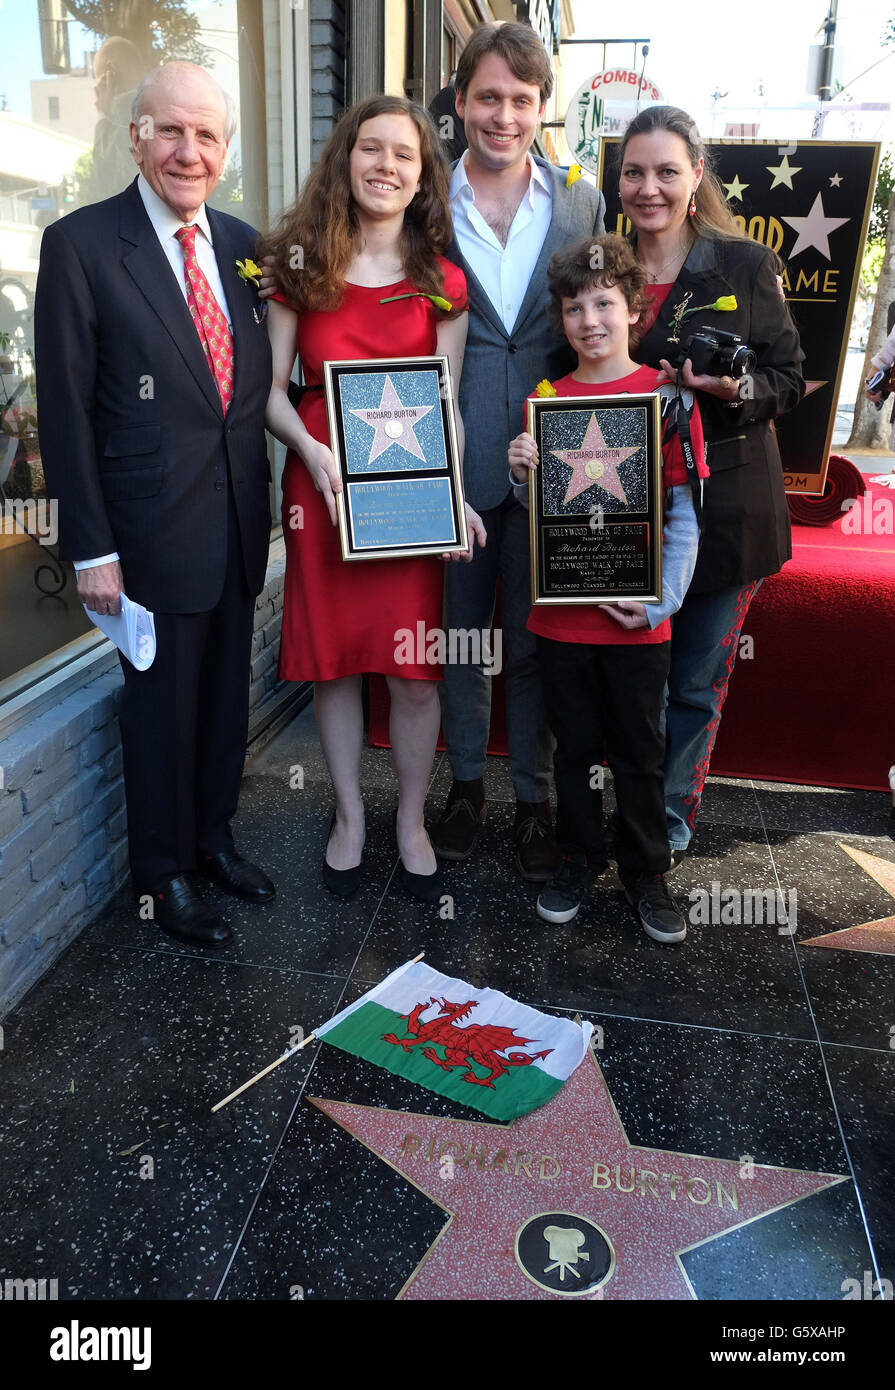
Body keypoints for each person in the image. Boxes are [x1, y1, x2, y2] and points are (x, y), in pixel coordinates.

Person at [34, 62, 276, 948]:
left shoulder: (248, 245)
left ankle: (213, 841)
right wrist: (91, 548)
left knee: (221, 707)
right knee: (160, 714)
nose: (188, 151)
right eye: (169, 130)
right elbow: (63, 411)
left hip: (238, 527)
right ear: (136, 136)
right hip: (145, 537)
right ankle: (163, 873)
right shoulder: (82, 245)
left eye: (207, 135)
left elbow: (252, 391)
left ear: (226, 149)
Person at [259, 96, 485, 904]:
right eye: (370, 149)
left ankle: (411, 820)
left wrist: (451, 495)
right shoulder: (298, 263)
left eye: (404, 155)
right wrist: (312, 450)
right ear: (344, 159)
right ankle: (350, 816)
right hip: (319, 489)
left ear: (424, 176)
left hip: (406, 496)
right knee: (337, 666)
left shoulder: (442, 281)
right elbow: (268, 391)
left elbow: (449, 403)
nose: (385, 166)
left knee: (416, 674)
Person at [429, 20, 606, 881]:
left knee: (535, 637)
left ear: (543, 109)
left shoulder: (578, 199)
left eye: (522, 101)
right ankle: (465, 786)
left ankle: (532, 800)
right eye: (488, 97)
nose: (503, 116)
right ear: (460, 101)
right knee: (460, 634)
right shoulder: (426, 197)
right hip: (449, 455)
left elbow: (596, 315)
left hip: (552, 461)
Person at [617, 105, 805, 866]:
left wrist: (734, 390)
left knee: (693, 684)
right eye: (634, 171)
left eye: (666, 170)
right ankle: (623, 810)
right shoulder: (602, 264)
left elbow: (787, 379)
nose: (648, 187)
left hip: (725, 508)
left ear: (695, 175)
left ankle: (663, 827)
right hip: (621, 506)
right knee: (630, 685)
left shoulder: (743, 264)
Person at [508, 235, 708, 942]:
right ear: (559, 318)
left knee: (639, 752)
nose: (589, 320)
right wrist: (522, 473)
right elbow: (540, 514)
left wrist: (662, 600)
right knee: (572, 753)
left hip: (636, 621)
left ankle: (645, 870)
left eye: (603, 303)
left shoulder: (665, 396)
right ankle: (578, 856)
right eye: (573, 308)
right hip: (562, 621)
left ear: (632, 308)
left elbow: (684, 513)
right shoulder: (547, 400)